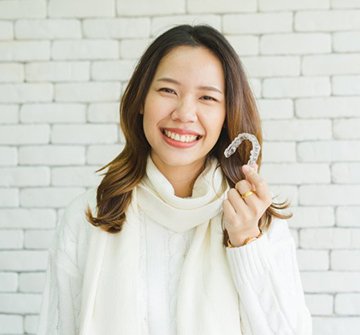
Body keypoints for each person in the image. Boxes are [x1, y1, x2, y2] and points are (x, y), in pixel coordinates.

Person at [37, 24, 312, 335]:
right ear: (141, 100)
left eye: (207, 97)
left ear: (226, 114)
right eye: (168, 90)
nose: (184, 113)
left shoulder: (257, 219)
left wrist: (246, 242)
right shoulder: (89, 216)